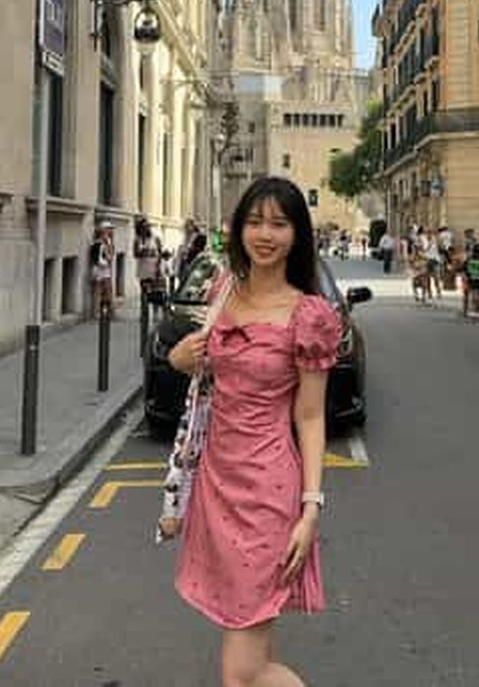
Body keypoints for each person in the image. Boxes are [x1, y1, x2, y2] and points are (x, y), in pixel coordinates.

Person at [169, 176, 341, 687]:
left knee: (242, 672)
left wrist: (311, 508)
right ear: (238, 228)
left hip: (269, 491)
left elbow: (309, 416)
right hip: (216, 484)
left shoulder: (310, 315)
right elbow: (203, 373)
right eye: (255, 221)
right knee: (237, 640)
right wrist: (181, 360)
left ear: (297, 234)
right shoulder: (223, 291)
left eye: (280, 224)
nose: (265, 234)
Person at [460, 241, 479, 318]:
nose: (477, 254)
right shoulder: (471, 260)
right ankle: (474, 312)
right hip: (474, 283)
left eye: (478, 252)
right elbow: (463, 271)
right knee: (476, 299)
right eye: (476, 252)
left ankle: (477, 312)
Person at [90, 221, 115, 314]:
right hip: (98, 268)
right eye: (108, 229)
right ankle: (96, 311)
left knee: (108, 289)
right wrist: (105, 261)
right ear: (103, 230)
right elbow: (96, 258)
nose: (110, 231)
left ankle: (110, 311)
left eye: (110, 229)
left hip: (106, 268)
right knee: (98, 290)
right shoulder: (97, 243)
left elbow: (111, 255)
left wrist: (109, 248)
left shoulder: (109, 241)